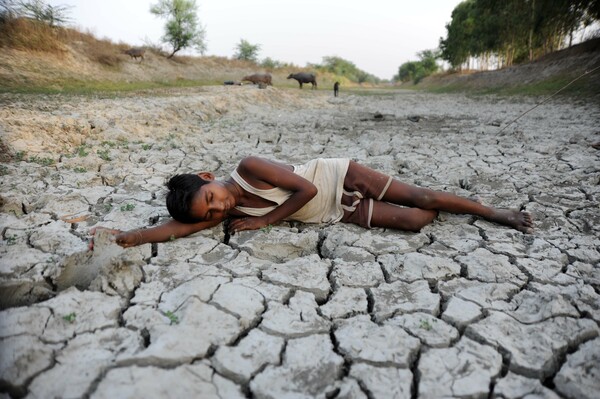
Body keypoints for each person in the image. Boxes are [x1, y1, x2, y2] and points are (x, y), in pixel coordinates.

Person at [91, 156, 533, 248]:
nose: (219, 209)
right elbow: (178, 228)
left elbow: (307, 190)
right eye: (210, 213)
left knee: (422, 196)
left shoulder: (248, 169)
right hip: (335, 213)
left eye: (212, 198)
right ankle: (442, 202)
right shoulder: (222, 211)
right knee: (417, 220)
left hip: (337, 178)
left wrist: (265, 224)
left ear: (209, 178)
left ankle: (490, 211)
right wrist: (128, 237)